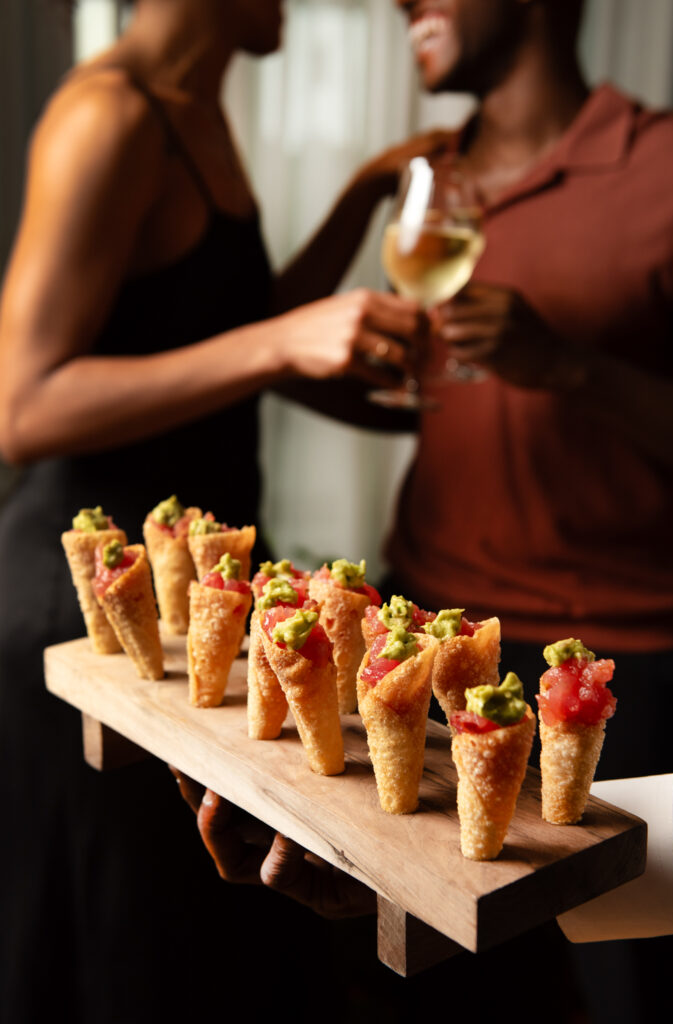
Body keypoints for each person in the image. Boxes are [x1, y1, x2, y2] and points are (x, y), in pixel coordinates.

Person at [181, 0, 673, 1020]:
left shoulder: (666, 164)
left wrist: (569, 369)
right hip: (423, 650)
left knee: (622, 988)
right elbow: (279, 352)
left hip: (627, 675)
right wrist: (368, 191)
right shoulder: (428, 179)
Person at [0, 2, 449, 1020]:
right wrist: (283, 343)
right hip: (92, 607)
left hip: (190, 610)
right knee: (129, 945)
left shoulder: (197, 111)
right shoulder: (104, 115)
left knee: (202, 931)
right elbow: (19, 406)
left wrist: (360, 199)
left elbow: (227, 332)